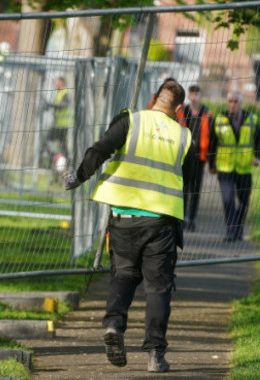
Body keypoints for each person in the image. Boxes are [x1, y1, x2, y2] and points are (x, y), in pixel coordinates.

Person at [63, 79, 197, 373]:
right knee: (159, 288)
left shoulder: (131, 122)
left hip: (124, 217)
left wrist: (77, 177)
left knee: (123, 275)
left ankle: (113, 325)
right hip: (161, 222)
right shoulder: (185, 137)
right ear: (179, 109)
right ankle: (154, 355)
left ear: (153, 98)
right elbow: (188, 181)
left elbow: (100, 149)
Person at [209, 90, 260, 242]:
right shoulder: (219, 119)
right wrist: (211, 164)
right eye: (230, 101)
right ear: (227, 103)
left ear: (241, 103)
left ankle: (239, 228)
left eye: (236, 101)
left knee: (244, 201)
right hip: (225, 168)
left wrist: (257, 157)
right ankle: (231, 231)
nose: (233, 104)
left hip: (245, 167)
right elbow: (212, 143)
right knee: (228, 200)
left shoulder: (252, 119)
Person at [179, 85, 213, 232]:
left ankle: (191, 218)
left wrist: (212, 160)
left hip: (200, 157)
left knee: (196, 190)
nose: (194, 97)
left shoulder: (207, 113)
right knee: (184, 188)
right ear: (188, 96)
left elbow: (211, 137)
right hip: (185, 157)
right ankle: (182, 217)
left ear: (200, 96)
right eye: (191, 94)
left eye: (197, 94)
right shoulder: (183, 111)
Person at [47, 76, 72, 159]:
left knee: (59, 143)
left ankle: (62, 160)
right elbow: (57, 106)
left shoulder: (66, 93)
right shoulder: (58, 92)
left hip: (64, 125)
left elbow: (64, 105)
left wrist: (52, 105)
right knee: (60, 144)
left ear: (62, 82)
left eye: (57, 82)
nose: (55, 84)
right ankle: (61, 159)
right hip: (58, 124)